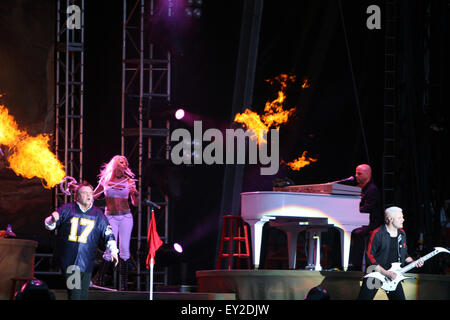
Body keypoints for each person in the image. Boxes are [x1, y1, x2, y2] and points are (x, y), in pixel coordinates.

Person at [44, 181, 119, 300]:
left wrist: (113, 251)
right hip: (70, 262)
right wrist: (52, 220)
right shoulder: (67, 209)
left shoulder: (98, 214)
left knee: (82, 297)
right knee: (75, 295)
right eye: (84, 193)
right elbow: (49, 225)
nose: (89, 195)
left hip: (87, 262)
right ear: (77, 196)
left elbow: (107, 233)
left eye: (90, 193)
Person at [92, 155, 139, 291]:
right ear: (115, 164)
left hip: (125, 217)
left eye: (126, 163)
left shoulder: (129, 181)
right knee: (110, 249)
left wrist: (135, 193)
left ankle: (123, 286)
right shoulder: (105, 180)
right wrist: (79, 191)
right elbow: (93, 196)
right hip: (111, 217)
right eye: (121, 162)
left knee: (124, 249)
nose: (124, 165)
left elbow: (135, 203)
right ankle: (99, 280)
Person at [357, 206, 423, 300]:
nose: (403, 220)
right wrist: (386, 273)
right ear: (390, 219)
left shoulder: (402, 234)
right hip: (376, 274)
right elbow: (369, 257)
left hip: (394, 274)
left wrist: (413, 262)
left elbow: (404, 255)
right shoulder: (377, 234)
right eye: (399, 218)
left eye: (402, 217)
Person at [348, 164, 383, 270]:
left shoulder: (372, 189)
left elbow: (368, 208)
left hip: (372, 223)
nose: (356, 176)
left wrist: (354, 210)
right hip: (362, 220)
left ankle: (356, 266)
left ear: (367, 174)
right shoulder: (359, 188)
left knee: (357, 233)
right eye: (356, 173)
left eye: (359, 173)